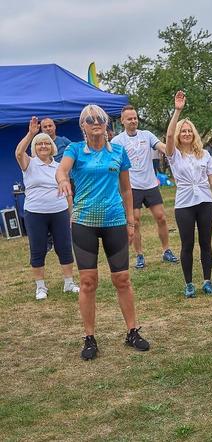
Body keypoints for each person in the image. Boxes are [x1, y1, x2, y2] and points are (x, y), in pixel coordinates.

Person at [56, 104, 150, 361]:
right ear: (82, 126)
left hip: (115, 221)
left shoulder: (118, 151)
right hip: (84, 221)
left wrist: (131, 222)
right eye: (90, 119)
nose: (95, 122)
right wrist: (63, 179)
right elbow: (62, 169)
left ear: (107, 124)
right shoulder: (74, 150)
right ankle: (89, 337)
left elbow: (127, 190)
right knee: (88, 282)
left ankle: (132, 331)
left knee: (122, 279)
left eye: (100, 118)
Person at [165, 91, 212, 298]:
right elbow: (168, 136)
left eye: (189, 131)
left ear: (194, 134)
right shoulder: (174, 155)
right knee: (187, 244)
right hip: (185, 204)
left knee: (206, 242)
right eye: (183, 131)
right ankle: (188, 284)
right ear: (179, 134)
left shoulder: (204, 155)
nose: (186, 134)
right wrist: (177, 111)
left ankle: (207, 281)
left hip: (205, 203)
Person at [15, 117, 79, 300]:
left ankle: (69, 282)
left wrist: (71, 212)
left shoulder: (60, 167)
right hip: (35, 213)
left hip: (58, 212)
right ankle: (40, 287)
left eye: (46, 143)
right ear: (34, 148)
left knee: (65, 247)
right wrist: (31, 134)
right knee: (38, 249)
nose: (43, 146)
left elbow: (67, 192)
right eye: (39, 144)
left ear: (53, 147)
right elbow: (19, 152)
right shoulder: (29, 163)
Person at [111, 105, 179, 269]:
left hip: (150, 184)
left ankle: (166, 250)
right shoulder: (117, 141)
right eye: (129, 119)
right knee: (135, 221)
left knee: (161, 217)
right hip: (132, 187)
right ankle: (139, 255)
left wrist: (170, 150)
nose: (133, 121)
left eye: (135, 118)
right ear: (122, 121)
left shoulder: (147, 135)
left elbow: (162, 147)